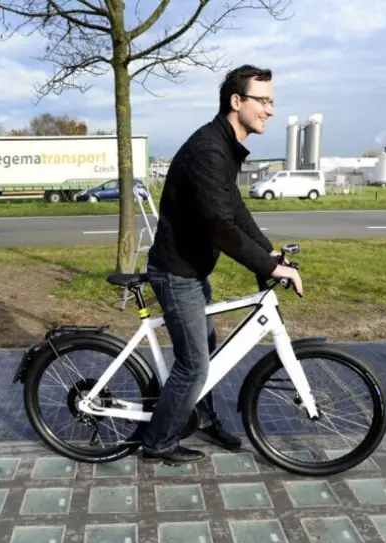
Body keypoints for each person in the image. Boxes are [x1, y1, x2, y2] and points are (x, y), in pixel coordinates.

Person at [139, 65, 303, 465]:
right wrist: (269, 268)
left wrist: (269, 254)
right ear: (237, 101)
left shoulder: (223, 146)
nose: (271, 110)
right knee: (193, 366)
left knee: (204, 357)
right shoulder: (209, 150)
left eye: (271, 101)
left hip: (193, 271)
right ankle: (157, 443)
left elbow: (235, 209)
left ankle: (203, 419)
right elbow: (219, 226)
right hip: (177, 274)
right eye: (263, 101)